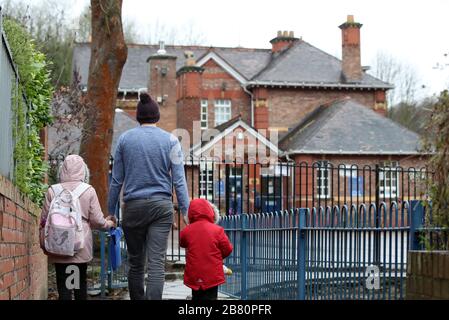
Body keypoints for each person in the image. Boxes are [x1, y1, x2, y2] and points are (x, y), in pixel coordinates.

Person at [108, 92, 190, 300]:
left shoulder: (125, 140)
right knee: (156, 264)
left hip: (133, 208)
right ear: (157, 116)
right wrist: (186, 210)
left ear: (138, 116)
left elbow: (116, 180)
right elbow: (179, 180)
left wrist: (111, 212)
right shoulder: (171, 140)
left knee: (136, 263)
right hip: (161, 208)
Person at [39, 155, 116, 300]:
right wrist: (109, 223)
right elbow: (98, 221)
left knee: (64, 286)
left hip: (59, 246)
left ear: (62, 170)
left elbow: (43, 221)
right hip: (80, 245)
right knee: (80, 285)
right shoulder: (88, 190)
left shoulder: (52, 191)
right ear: (83, 171)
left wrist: (44, 244)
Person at [180, 199, 233, 300]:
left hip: (194, 273)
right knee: (211, 296)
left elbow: (182, 243)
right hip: (212, 274)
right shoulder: (217, 230)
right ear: (211, 212)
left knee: (196, 296)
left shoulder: (186, 231)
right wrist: (217, 256)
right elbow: (228, 249)